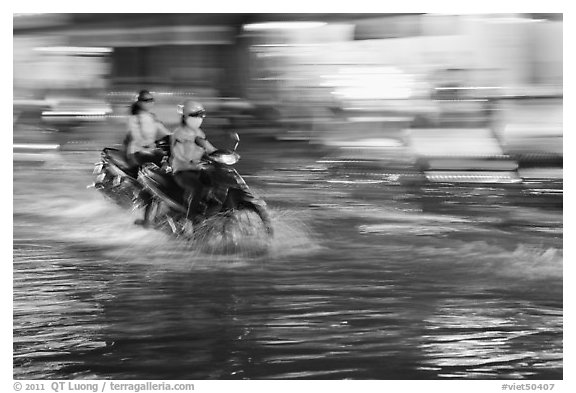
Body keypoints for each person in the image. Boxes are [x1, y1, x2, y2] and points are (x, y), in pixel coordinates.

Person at [126, 90, 172, 226]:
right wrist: (147, 146)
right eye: (146, 100)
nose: (149, 102)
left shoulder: (152, 117)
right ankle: (147, 219)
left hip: (152, 152)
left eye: (151, 100)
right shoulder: (134, 119)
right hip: (138, 154)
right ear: (139, 102)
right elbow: (136, 137)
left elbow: (166, 132)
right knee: (153, 183)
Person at [170, 100, 217, 221]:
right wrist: (191, 163)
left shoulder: (200, 133)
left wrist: (220, 153)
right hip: (182, 170)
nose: (199, 118)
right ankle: (189, 221)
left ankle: (208, 212)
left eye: (201, 115)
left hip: (197, 169)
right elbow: (178, 153)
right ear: (186, 116)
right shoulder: (179, 133)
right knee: (197, 188)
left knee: (215, 182)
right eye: (195, 115)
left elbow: (208, 148)